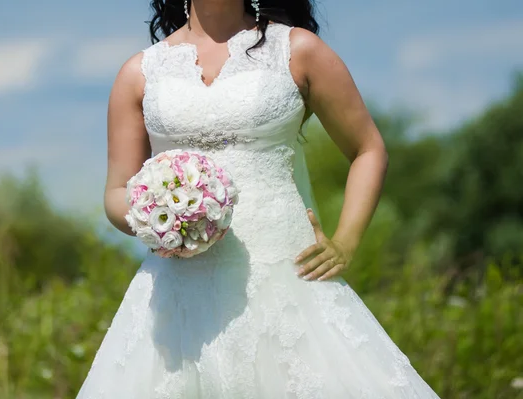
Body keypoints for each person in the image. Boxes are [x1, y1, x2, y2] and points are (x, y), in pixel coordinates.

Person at [77, 0, 441, 397]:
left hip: (285, 274)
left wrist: (346, 241)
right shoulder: (139, 72)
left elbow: (369, 149)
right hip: (176, 293)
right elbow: (117, 192)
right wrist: (153, 218)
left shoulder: (299, 50)